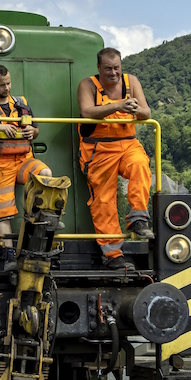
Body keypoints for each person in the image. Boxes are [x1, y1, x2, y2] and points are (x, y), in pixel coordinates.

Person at [77, 47, 153, 270]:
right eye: (108, 68)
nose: (113, 73)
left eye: (117, 68)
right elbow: (86, 112)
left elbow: (147, 113)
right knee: (103, 200)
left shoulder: (132, 82)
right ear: (99, 67)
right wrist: (118, 105)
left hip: (128, 142)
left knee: (140, 164)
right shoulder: (87, 85)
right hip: (98, 149)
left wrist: (136, 108)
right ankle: (113, 256)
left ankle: (138, 218)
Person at [0, 65, 52, 251]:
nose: (6, 88)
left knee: (45, 174)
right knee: (3, 213)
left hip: (23, 160)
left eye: (8, 83)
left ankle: (35, 228)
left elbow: (36, 130)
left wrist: (34, 131)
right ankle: (8, 254)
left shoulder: (21, 103)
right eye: (1, 85)